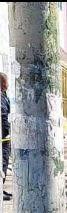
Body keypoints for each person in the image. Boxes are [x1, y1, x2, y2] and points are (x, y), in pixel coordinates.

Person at [0, 72, 11, 201]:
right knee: (2, 162)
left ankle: (1, 188)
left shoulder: (4, 95)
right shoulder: (1, 97)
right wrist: (7, 133)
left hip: (4, 138)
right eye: (6, 81)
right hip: (3, 139)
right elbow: (3, 117)